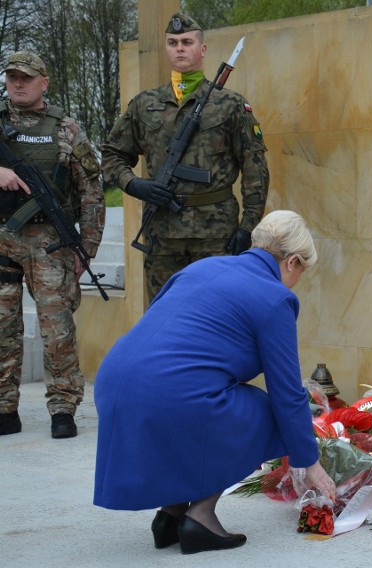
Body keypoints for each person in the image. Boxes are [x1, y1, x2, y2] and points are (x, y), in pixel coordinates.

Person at [93, 210, 336, 554]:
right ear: (293, 262)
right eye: (302, 272)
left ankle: (172, 513)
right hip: (168, 391)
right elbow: (286, 393)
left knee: (204, 402)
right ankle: (201, 517)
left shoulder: (201, 267)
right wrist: (308, 461)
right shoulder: (274, 297)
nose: (297, 280)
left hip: (115, 381)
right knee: (263, 412)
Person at [101, 11, 269, 303]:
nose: (179, 48)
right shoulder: (144, 105)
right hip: (162, 235)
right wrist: (134, 184)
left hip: (217, 234)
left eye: (187, 42)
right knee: (164, 317)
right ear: (166, 48)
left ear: (202, 50)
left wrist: (248, 227)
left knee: (219, 316)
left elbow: (255, 168)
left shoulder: (229, 105)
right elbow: (112, 155)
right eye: (173, 42)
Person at [0, 51, 104, 438]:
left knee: (56, 329)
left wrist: (87, 247)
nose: (18, 84)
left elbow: (91, 190)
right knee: (1, 328)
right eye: (12, 77)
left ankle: (63, 407)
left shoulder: (66, 128)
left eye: (26, 77)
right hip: (2, 240)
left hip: (51, 243)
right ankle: (4, 408)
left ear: (44, 81)